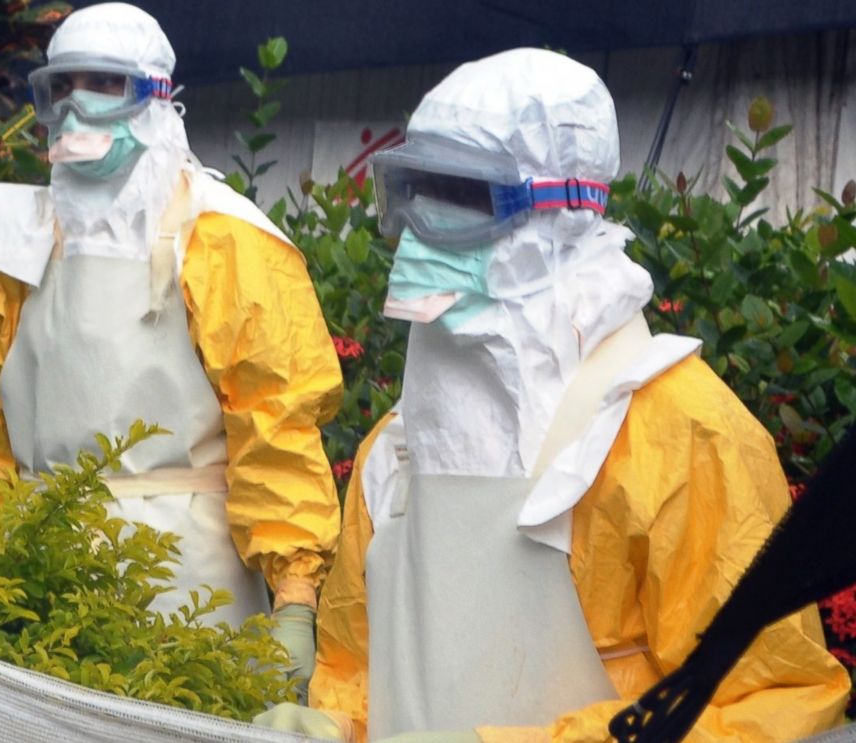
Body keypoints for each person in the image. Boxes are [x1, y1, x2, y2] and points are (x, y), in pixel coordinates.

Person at [254, 48, 849, 742]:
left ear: (564, 212)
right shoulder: (398, 448)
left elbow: (769, 702)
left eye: (464, 195)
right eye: (415, 192)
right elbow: (359, 667)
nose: (423, 231)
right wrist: (330, 720)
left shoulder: (679, 430)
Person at [0, 2, 341, 687]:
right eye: (59, 88)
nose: (74, 108)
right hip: (38, 577)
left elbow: (276, 429)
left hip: (193, 593)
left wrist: (295, 597)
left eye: (100, 84)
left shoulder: (227, 242)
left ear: (157, 99)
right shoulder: (12, 246)